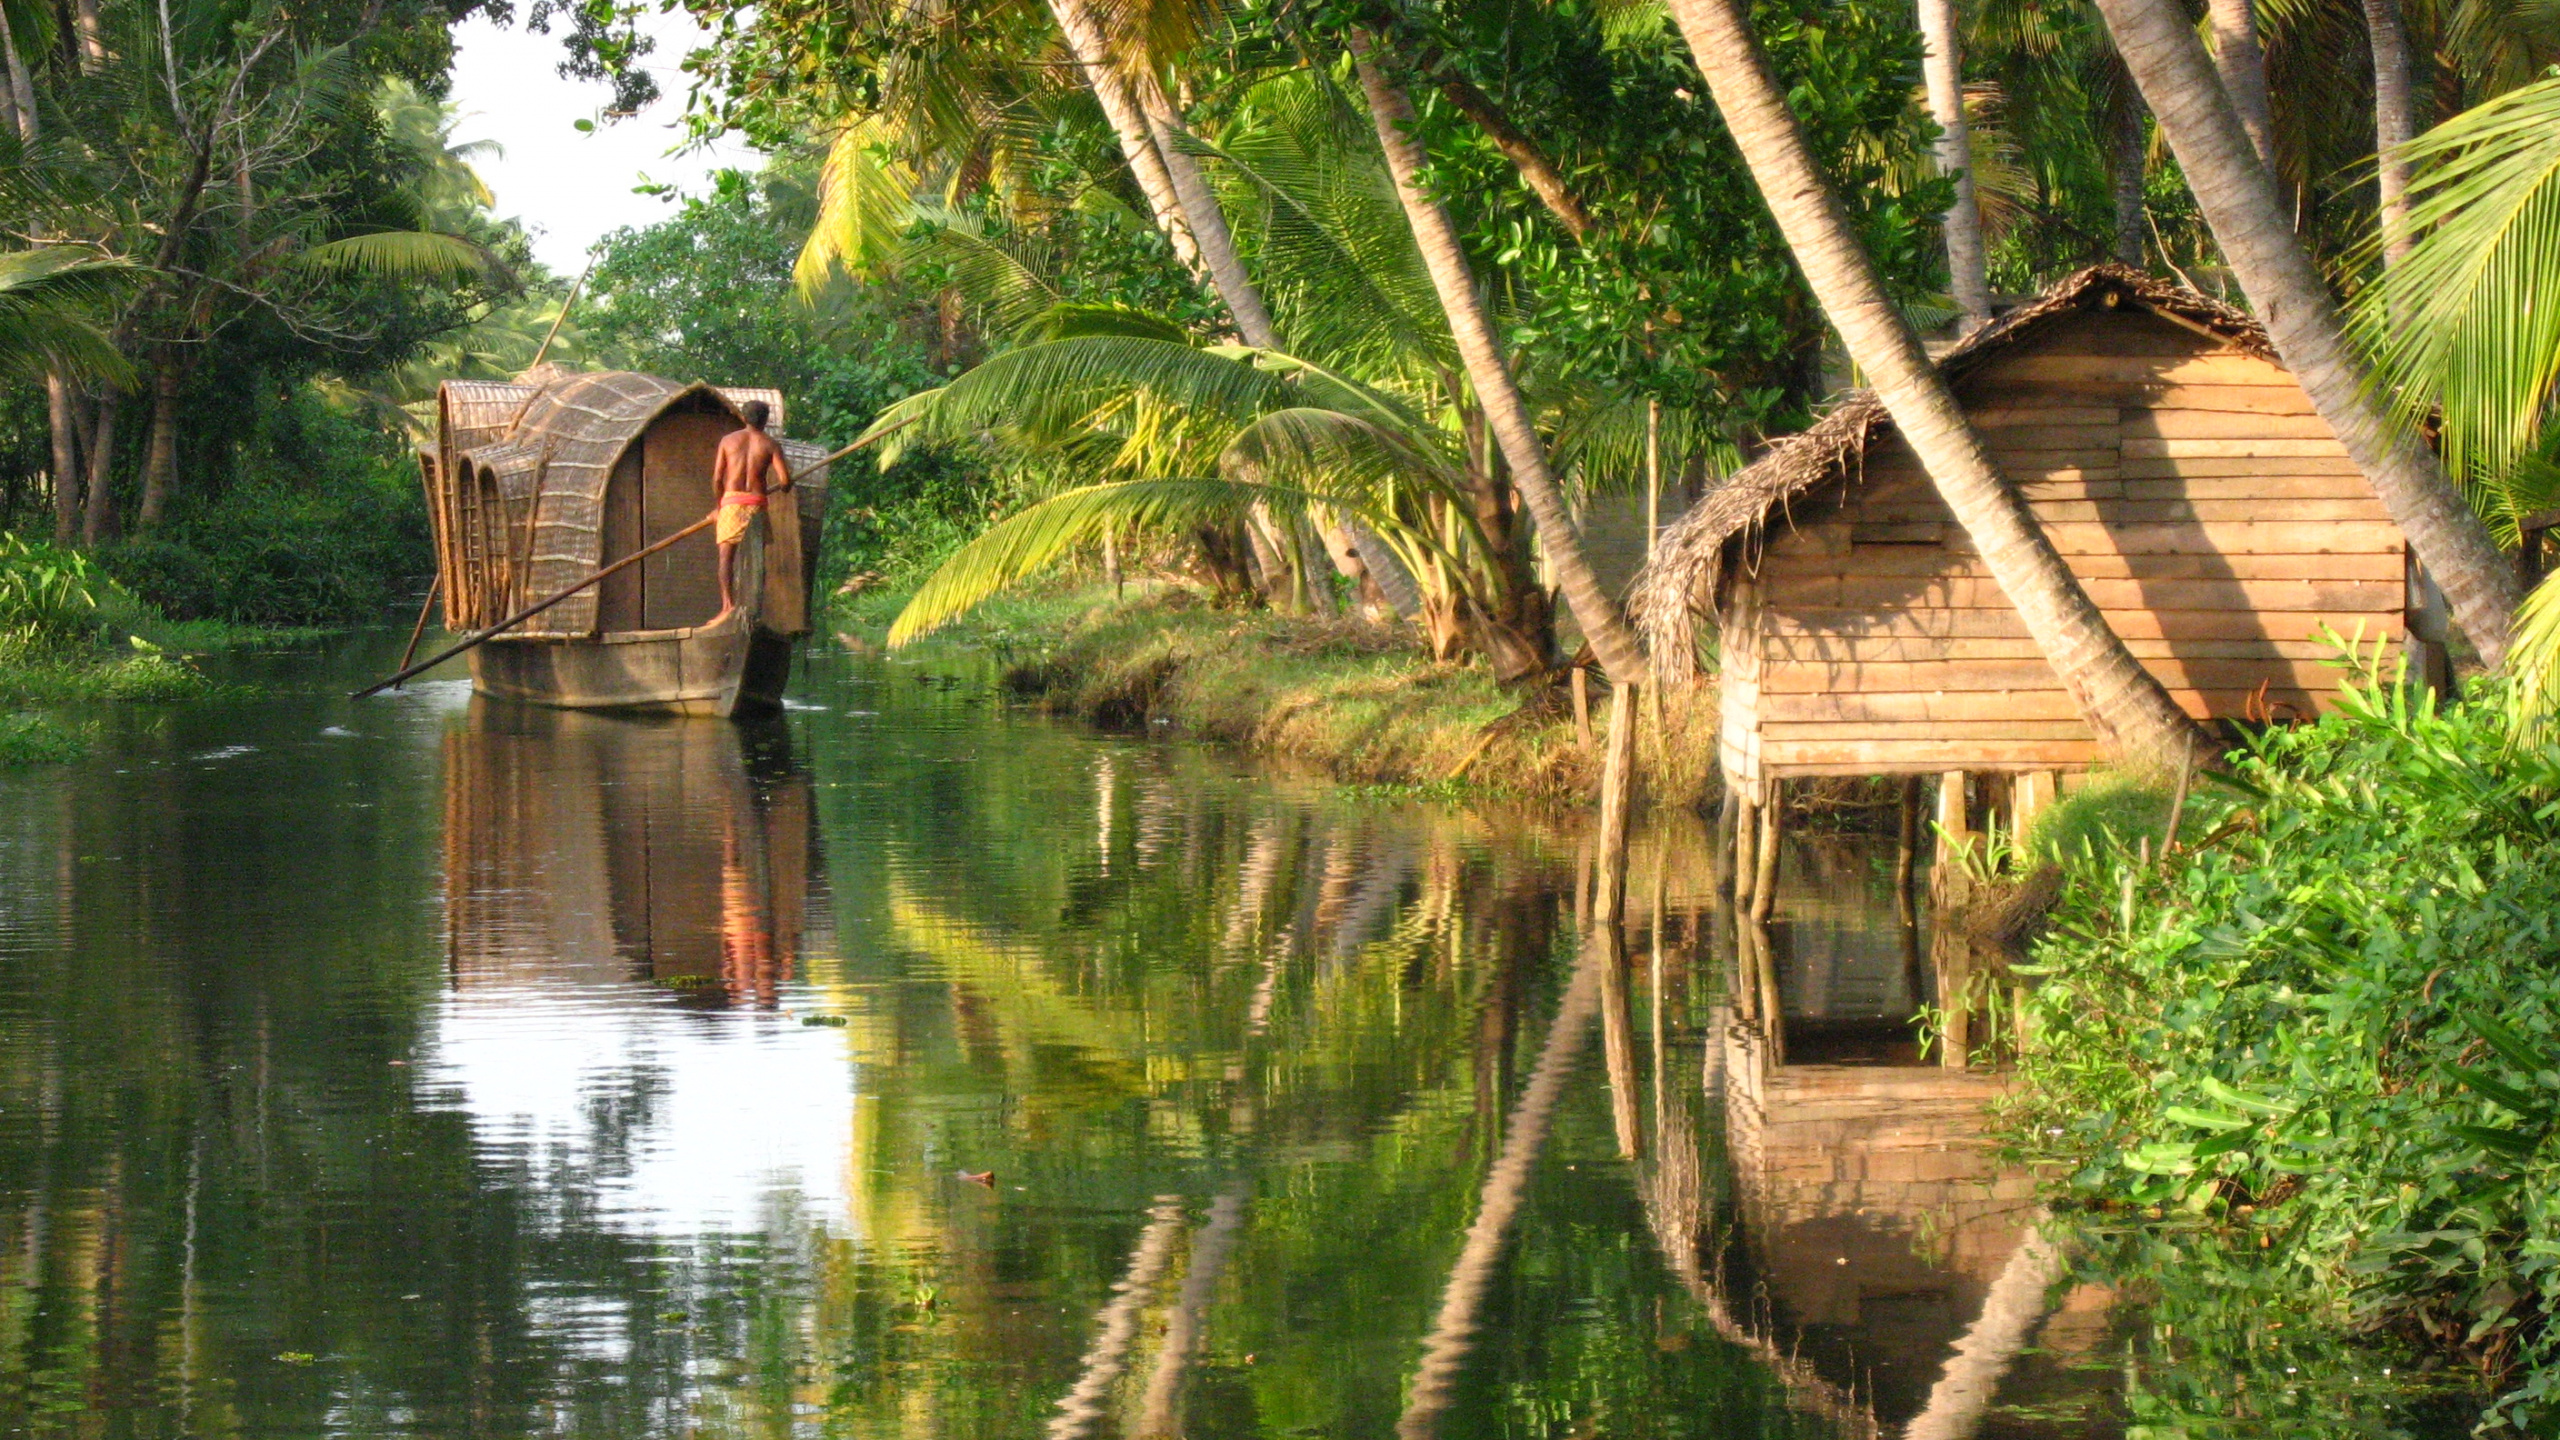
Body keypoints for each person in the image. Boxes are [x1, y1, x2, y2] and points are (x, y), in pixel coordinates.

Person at [709, 399, 793, 625]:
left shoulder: (728, 441)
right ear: (765, 421)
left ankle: (728, 606)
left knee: (726, 557)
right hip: (757, 502)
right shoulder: (770, 444)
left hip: (732, 501)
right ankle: (755, 610)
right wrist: (784, 485)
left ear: (744, 418)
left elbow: (717, 479)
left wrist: (719, 507)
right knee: (757, 556)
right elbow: (785, 481)